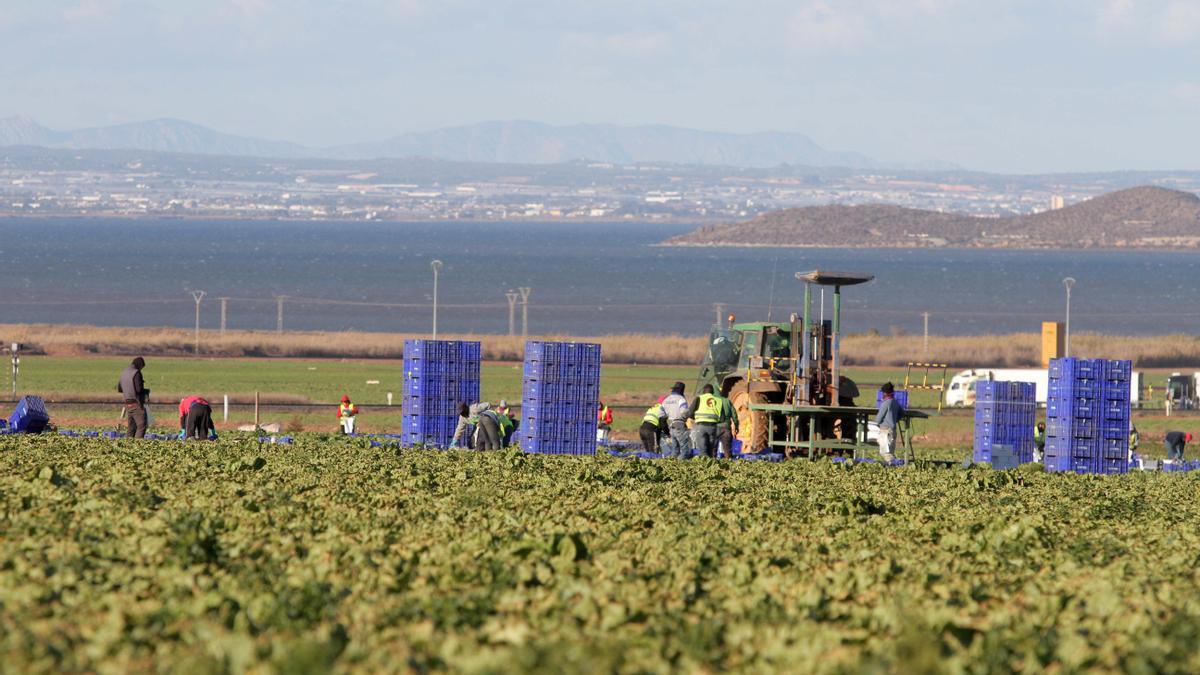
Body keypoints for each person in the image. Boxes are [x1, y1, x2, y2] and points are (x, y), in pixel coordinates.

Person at [117, 357, 148, 439]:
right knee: (141, 426)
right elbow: (138, 389)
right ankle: (138, 445)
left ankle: (128, 445)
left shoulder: (124, 372)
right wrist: (144, 391)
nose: (141, 369)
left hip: (127, 403)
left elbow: (120, 389)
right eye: (141, 368)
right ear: (140, 365)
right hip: (136, 403)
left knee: (131, 428)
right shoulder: (136, 373)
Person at [688, 384, 721, 458]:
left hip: (701, 426)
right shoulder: (719, 400)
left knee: (703, 450)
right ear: (713, 392)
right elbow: (722, 417)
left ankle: (704, 467)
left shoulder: (699, 398)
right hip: (713, 427)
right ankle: (711, 466)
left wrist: (695, 417)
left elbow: (690, 412)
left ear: (703, 391)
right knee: (710, 450)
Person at [660, 382, 690, 459]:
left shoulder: (665, 400)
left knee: (675, 450)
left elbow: (661, 416)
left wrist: (666, 430)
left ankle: (672, 465)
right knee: (685, 451)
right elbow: (684, 412)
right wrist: (685, 419)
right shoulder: (681, 399)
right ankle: (681, 464)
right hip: (679, 425)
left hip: (671, 427)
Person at [875, 382, 903, 462]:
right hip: (893, 429)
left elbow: (879, 418)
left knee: (885, 453)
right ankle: (893, 465)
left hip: (885, 430)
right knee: (890, 451)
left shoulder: (885, 403)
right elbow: (902, 413)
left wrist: (876, 423)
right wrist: (894, 420)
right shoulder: (895, 402)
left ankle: (892, 466)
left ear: (885, 393)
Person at [714, 388, 740, 458]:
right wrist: (736, 426)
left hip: (715, 428)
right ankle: (728, 466)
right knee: (727, 451)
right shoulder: (727, 401)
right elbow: (734, 415)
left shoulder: (712, 402)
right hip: (726, 428)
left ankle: (712, 466)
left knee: (713, 451)